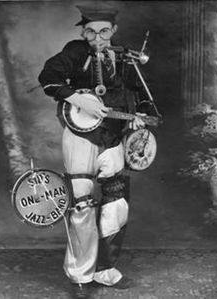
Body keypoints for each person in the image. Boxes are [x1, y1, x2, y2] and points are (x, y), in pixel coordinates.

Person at [38, 3, 149, 298]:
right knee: (82, 203)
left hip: (113, 136)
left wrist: (139, 114)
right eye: (90, 31)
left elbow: (140, 93)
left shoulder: (124, 58)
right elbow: (48, 78)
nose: (96, 38)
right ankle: (80, 272)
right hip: (80, 136)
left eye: (103, 31)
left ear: (113, 30)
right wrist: (77, 97)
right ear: (83, 31)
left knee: (116, 203)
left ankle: (105, 268)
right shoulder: (75, 52)